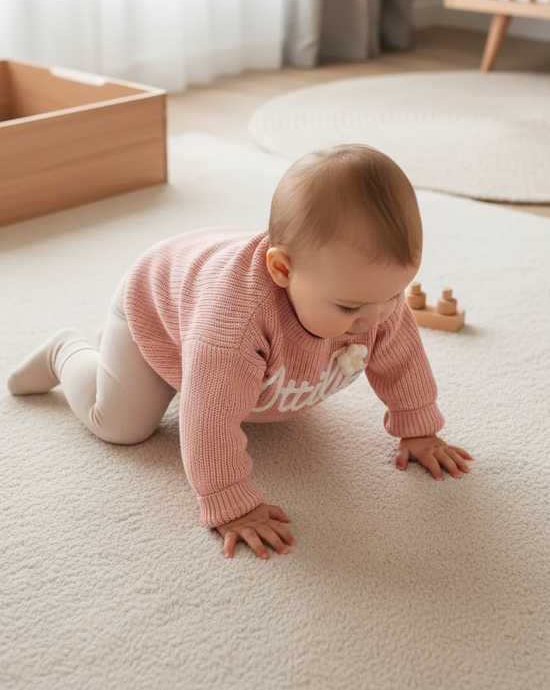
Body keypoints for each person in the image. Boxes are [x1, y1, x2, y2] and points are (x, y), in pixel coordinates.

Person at [7, 144, 474, 561]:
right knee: (122, 426)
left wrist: (419, 428)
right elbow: (207, 419)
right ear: (282, 269)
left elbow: (402, 360)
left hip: (235, 296)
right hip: (159, 310)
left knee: (274, 382)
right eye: (351, 307)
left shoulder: (370, 296)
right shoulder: (230, 328)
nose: (377, 319)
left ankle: (111, 352)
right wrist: (230, 499)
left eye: (394, 294)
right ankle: (68, 351)